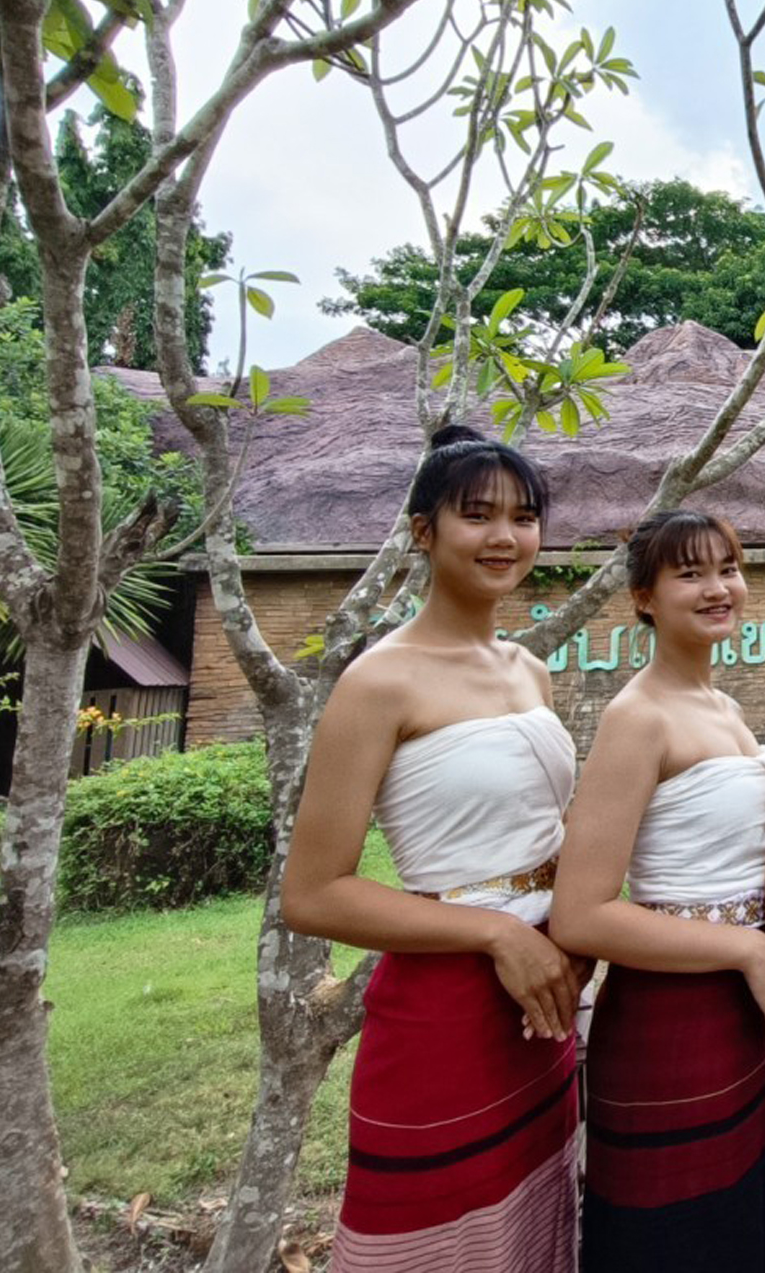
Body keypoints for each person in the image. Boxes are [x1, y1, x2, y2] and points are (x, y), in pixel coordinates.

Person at [281, 423, 581, 1271]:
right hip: (446, 1010)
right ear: (424, 531)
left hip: (545, 1000)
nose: (505, 536)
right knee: (448, 1238)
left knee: (533, 1225)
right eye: (476, 515)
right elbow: (314, 892)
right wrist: (497, 933)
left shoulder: (529, 669)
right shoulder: (380, 680)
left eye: (523, 517)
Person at [550, 509, 765, 1273]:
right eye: (691, 573)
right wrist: (744, 949)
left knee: (743, 1226)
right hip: (670, 1029)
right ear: (643, 596)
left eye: (727, 567)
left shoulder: (725, 709)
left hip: (748, 1023)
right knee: (682, 1239)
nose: (719, 587)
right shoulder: (638, 717)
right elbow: (581, 911)